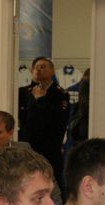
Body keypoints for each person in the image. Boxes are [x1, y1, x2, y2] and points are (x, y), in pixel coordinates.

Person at [17, 57, 69, 189]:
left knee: (54, 185)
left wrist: (40, 100)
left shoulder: (60, 94)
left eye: (43, 66)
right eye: (36, 67)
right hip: (28, 147)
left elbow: (58, 121)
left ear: (52, 71)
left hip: (50, 149)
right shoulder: (23, 93)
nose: (39, 69)